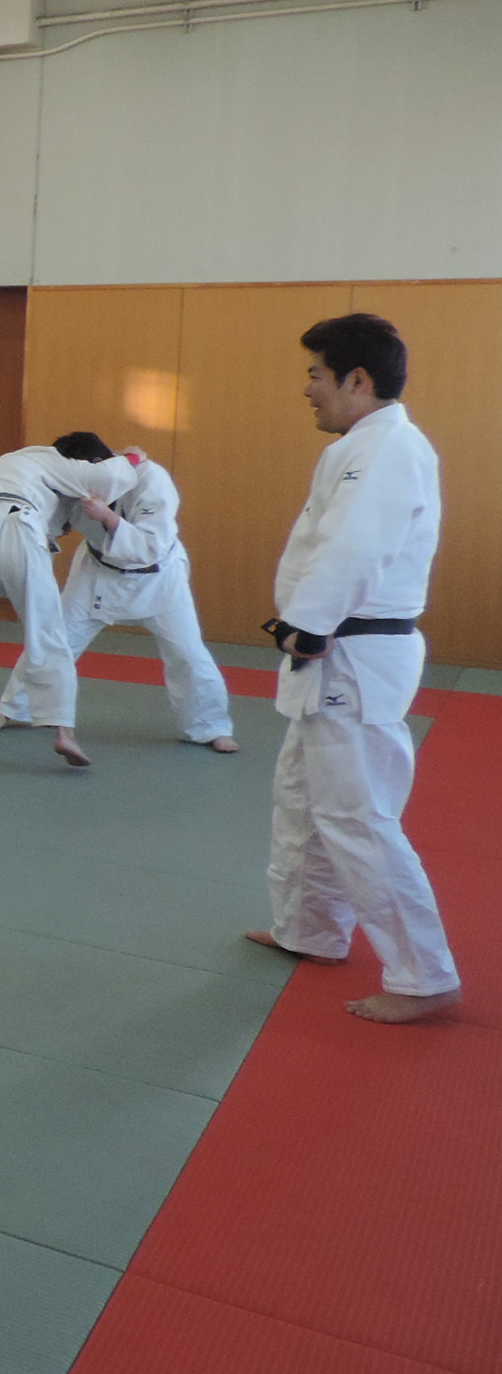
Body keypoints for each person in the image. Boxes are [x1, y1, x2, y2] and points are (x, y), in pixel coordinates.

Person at [247, 314, 460, 1024]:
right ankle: (308, 929)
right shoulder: (364, 445)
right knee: (303, 801)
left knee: (358, 816)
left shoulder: (389, 447)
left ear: (357, 379)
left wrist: (308, 626)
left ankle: (424, 976)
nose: (308, 388)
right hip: (337, 651)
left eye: (316, 374)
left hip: (350, 655)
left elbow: (357, 546)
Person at [0, 448, 238, 752]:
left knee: (188, 653)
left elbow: (150, 546)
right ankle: (13, 709)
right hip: (96, 572)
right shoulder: (73, 479)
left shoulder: (152, 479)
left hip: (158, 578)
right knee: (55, 639)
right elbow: (55, 522)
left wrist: (106, 516)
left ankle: (211, 727)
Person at [0, 433, 138, 767]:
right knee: (48, 634)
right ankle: (64, 733)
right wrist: (133, 459)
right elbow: (112, 476)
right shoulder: (61, 463)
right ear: (89, 460)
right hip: (22, 531)